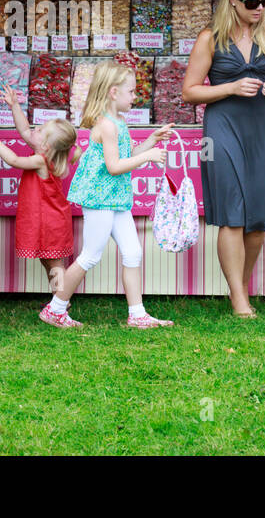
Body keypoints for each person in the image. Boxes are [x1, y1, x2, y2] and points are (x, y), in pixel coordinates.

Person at [182, 0, 265, 318]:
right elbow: (189, 91)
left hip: (263, 127)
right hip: (222, 128)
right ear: (233, 1)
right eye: (252, 2)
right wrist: (230, 87)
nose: (259, 8)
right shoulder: (210, 39)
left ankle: (241, 288)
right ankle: (238, 299)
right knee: (232, 215)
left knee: (257, 221)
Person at [40, 61, 175, 329]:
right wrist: (149, 156)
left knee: (133, 252)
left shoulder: (119, 122)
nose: (135, 97)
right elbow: (114, 167)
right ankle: (54, 309)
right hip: (101, 200)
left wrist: (151, 141)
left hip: (115, 200)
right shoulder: (107, 126)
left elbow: (126, 156)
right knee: (90, 255)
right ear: (114, 92)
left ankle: (137, 314)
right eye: (131, 92)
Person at [0, 85, 80, 291]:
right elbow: (24, 130)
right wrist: (14, 106)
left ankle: (61, 303)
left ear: (46, 146)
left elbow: (13, 160)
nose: (34, 129)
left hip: (48, 221)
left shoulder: (40, 160)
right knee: (49, 261)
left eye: (40, 130)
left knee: (54, 264)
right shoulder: (50, 153)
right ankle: (58, 300)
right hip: (46, 218)